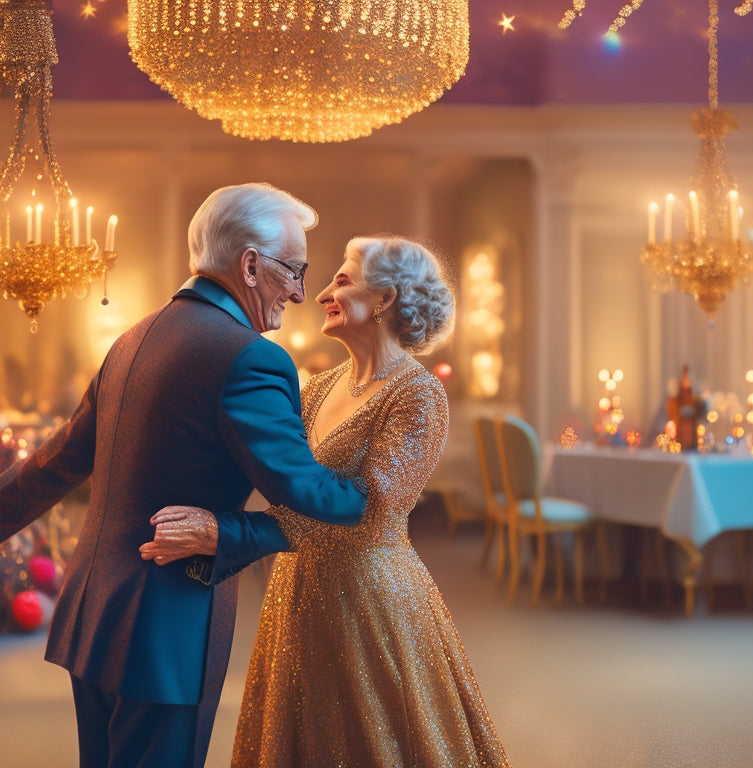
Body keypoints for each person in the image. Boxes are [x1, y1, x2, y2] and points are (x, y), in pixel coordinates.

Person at [0, 182, 367, 768]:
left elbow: (56, 464)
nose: (300, 291)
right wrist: (379, 499)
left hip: (90, 620)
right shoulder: (253, 357)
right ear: (250, 265)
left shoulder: (132, 337)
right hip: (164, 632)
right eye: (294, 270)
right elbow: (310, 495)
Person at [153, 235, 511, 767]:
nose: (320, 292)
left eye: (341, 280)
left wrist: (227, 533)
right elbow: (277, 474)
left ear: (385, 299)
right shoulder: (317, 387)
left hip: (373, 599)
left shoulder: (417, 394)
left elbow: (372, 509)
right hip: (296, 589)